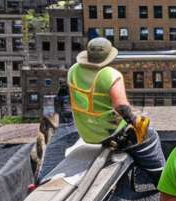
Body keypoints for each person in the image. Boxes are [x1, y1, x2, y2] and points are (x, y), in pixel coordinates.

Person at [67, 37, 164, 184]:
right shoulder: (109, 75)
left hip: (87, 132)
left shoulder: (73, 70)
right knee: (150, 135)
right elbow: (122, 107)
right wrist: (137, 123)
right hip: (111, 134)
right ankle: (161, 177)